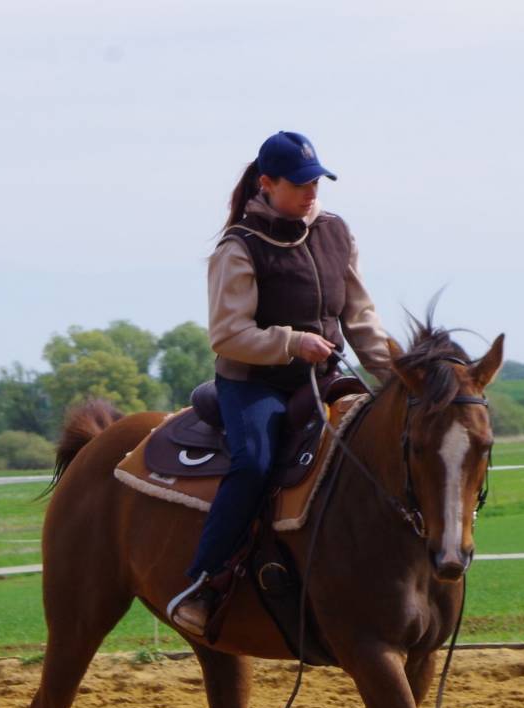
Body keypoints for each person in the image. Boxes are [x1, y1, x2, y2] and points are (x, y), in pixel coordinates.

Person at [167, 130, 392, 636]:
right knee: (256, 462)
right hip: (254, 384)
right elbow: (228, 335)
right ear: (267, 184)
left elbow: (360, 318)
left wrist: (398, 374)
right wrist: (293, 342)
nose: (312, 192)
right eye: (300, 184)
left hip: (325, 377)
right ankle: (204, 583)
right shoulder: (238, 247)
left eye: (317, 182)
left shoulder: (337, 232)